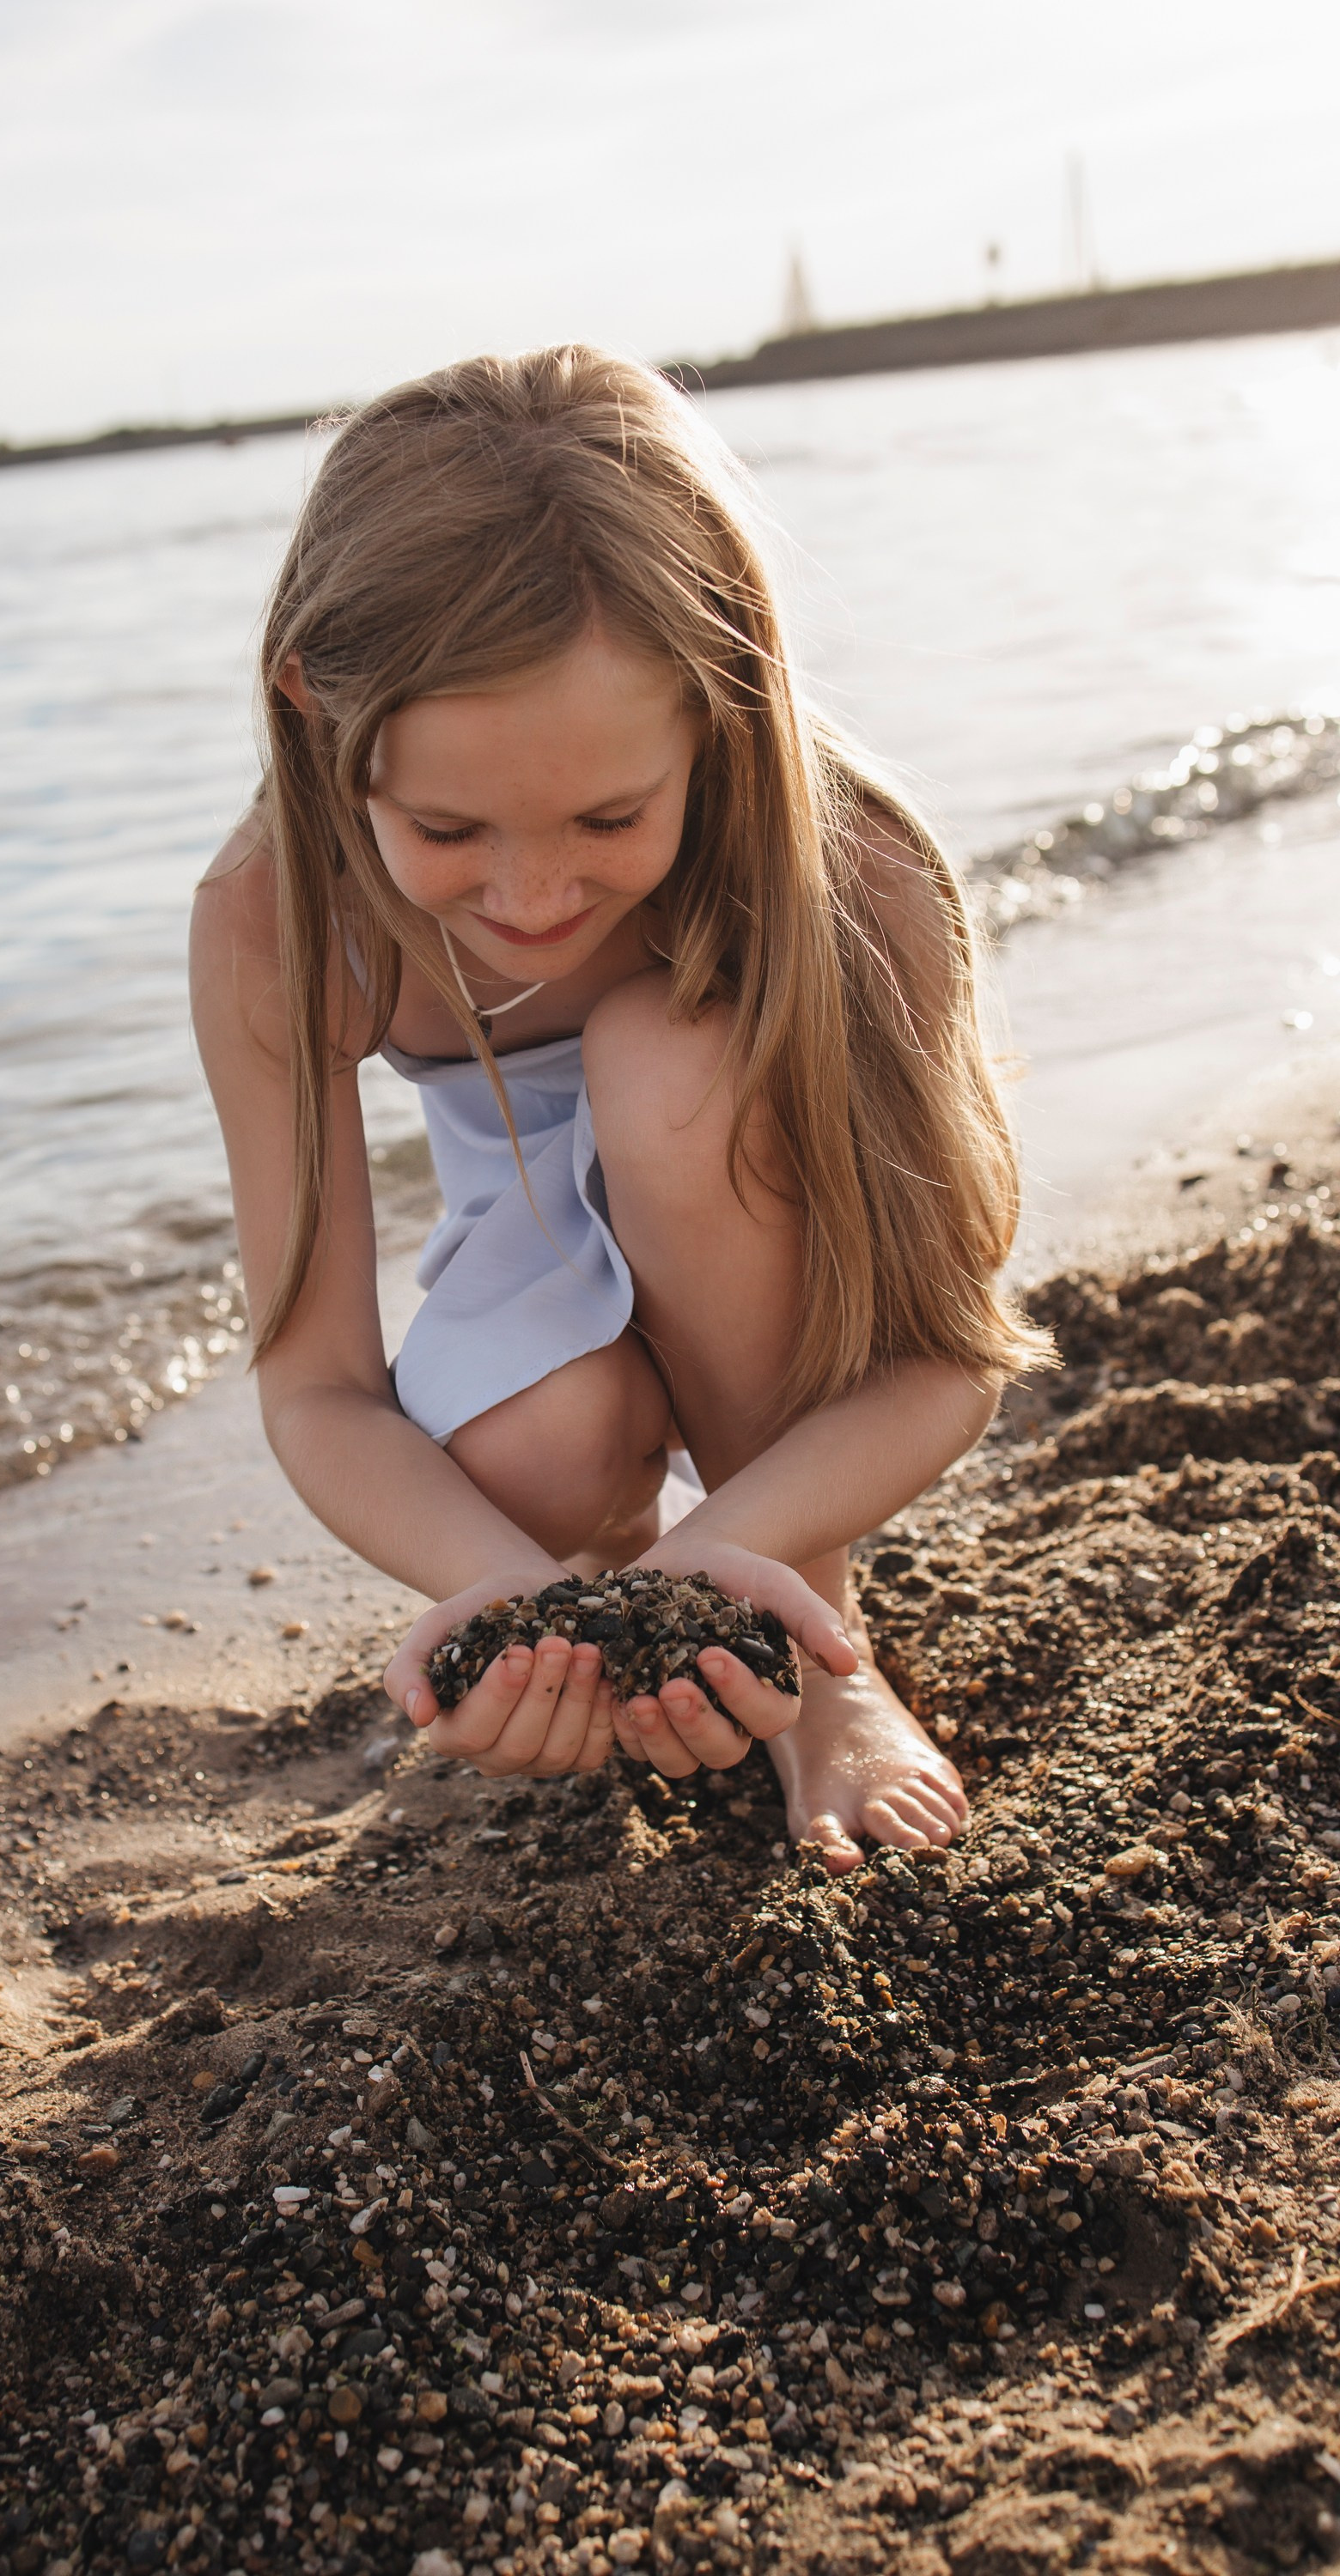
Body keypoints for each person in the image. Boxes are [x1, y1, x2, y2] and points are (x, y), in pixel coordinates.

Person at [191, 347, 1049, 1873]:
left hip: (761, 1234)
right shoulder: (280, 919)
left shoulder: (849, 876)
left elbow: (948, 1361)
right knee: (533, 1457)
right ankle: (622, 1609)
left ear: (719, 695)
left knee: (670, 1066)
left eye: (610, 818)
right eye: (446, 829)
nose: (531, 897)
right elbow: (315, 1385)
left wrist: (733, 1557)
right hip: (538, 1281)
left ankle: (821, 1672)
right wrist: (515, 1600)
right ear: (313, 707)